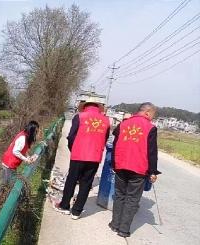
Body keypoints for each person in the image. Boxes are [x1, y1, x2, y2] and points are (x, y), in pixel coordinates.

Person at [109, 102, 161, 238]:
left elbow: (115, 145)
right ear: (147, 112)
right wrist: (153, 171)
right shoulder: (151, 128)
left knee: (120, 195)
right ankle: (123, 230)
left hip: (120, 166)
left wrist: (113, 164)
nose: (152, 118)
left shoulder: (123, 124)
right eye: (153, 115)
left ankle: (114, 224)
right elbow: (152, 152)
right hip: (138, 169)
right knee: (132, 199)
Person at [53, 99, 110, 220]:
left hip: (79, 155)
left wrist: (73, 149)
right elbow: (105, 139)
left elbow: (71, 136)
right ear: (98, 107)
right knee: (86, 183)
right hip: (94, 157)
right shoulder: (106, 120)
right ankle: (77, 212)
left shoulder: (80, 117)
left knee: (71, 180)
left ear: (84, 107)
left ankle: (64, 206)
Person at [0, 120, 40, 205]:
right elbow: (15, 151)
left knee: (5, 182)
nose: (37, 133)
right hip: (9, 163)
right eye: (36, 131)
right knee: (8, 183)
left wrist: (28, 157)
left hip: (10, 162)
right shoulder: (23, 138)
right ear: (32, 130)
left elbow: (23, 149)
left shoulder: (25, 135)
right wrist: (26, 159)